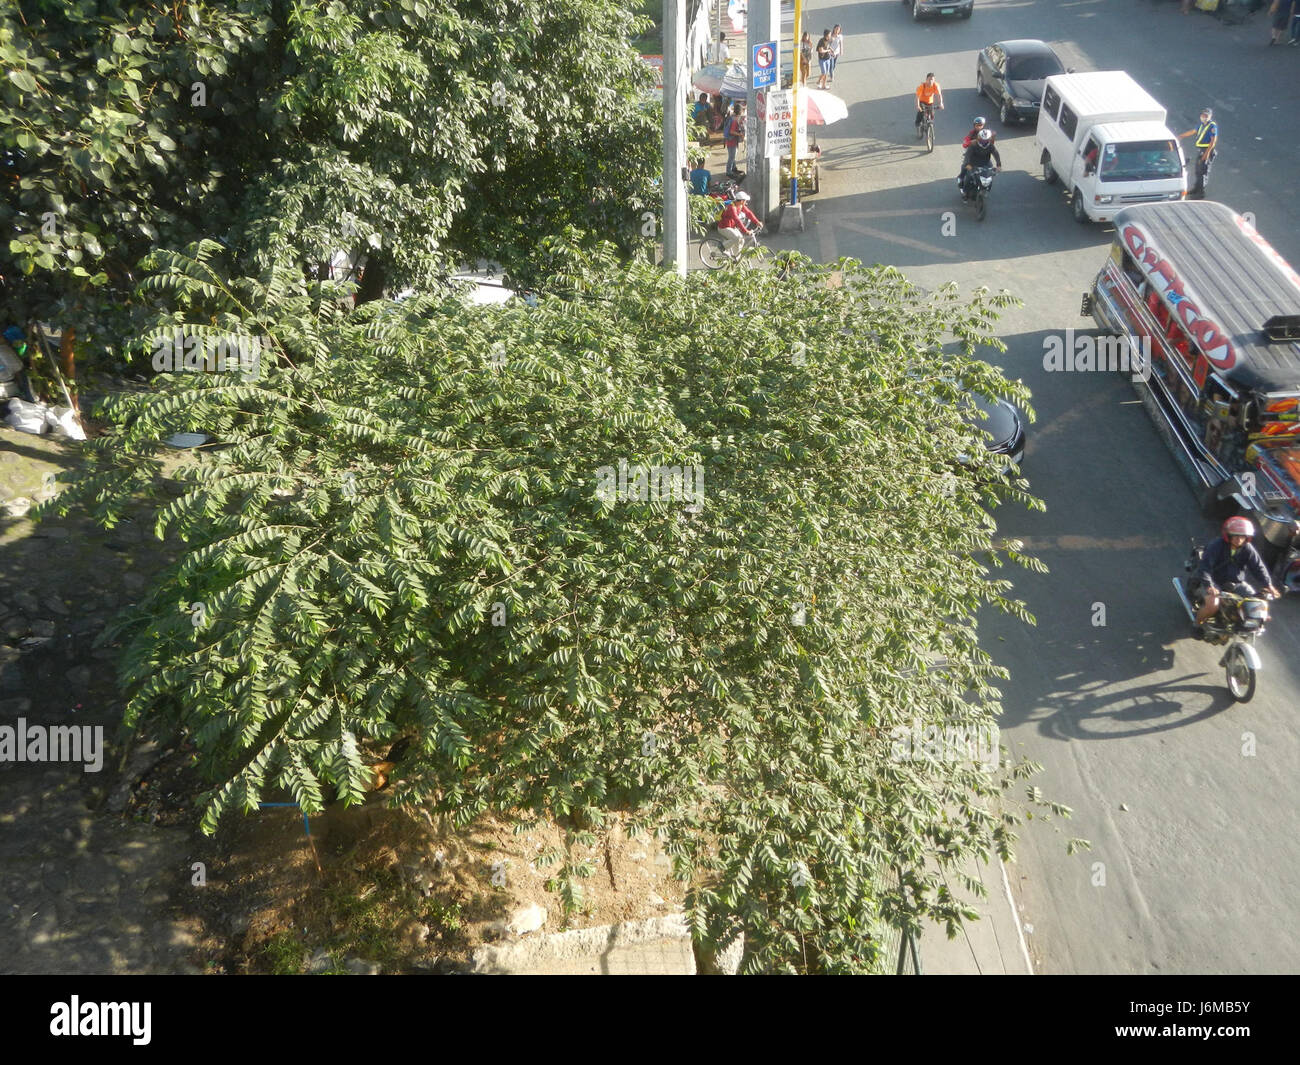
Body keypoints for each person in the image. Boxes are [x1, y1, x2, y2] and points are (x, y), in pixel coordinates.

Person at [1191, 517, 1280, 636]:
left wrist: (1268, 585)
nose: (1239, 540)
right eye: (1236, 536)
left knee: (1257, 605)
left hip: (1236, 583)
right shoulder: (1216, 546)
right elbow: (1204, 567)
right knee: (1213, 604)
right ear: (1228, 535)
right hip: (1214, 582)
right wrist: (1209, 586)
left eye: (1243, 537)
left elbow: (1258, 567)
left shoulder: (1247, 548)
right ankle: (1197, 624)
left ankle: (1241, 624)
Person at [1178, 107, 1217, 198]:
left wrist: (1206, 154)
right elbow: (1193, 131)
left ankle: (1200, 192)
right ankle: (1196, 188)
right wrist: (1181, 136)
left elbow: (1213, 142)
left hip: (1207, 150)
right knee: (1198, 170)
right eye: (1203, 115)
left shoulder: (1212, 126)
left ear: (1210, 116)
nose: (1204, 117)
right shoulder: (1202, 125)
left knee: (1203, 171)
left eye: (1206, 116)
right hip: (1201, 150)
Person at [716, 190, 763, 256]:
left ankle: (736, 258)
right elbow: (737, 220)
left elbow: (748, 213)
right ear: (741, 201)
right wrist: (746, 231)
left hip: (732, 227)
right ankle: (722, 247)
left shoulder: (740, 205)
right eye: (745, 200)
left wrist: (757, 222)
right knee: (736, 238)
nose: (746, 202)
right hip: (724, 227)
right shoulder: (731, 207)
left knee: (741, 241)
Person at [959, 129, 1001, 200]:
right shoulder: (973, 144)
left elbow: (996, 154)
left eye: (986, 140)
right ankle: (965, 192)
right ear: (978, 138)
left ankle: (986, 189)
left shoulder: (990, 146)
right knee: (969, 177)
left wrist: (998, 165)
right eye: (982, 140)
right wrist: (967, 165)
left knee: (989, 177)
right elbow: (967, 156)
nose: (984, 142)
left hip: (986, 163)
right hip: (973, 163)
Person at [723, 103, 745, 175]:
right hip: (732, 141)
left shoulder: (732, 117)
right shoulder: (734, 120)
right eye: (742, 110)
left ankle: (734, 168)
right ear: (740, 111)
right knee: (731, 157)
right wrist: (740, 134)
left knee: (733, 156)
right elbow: (731, 131)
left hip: (731, 141)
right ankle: (728, 172)